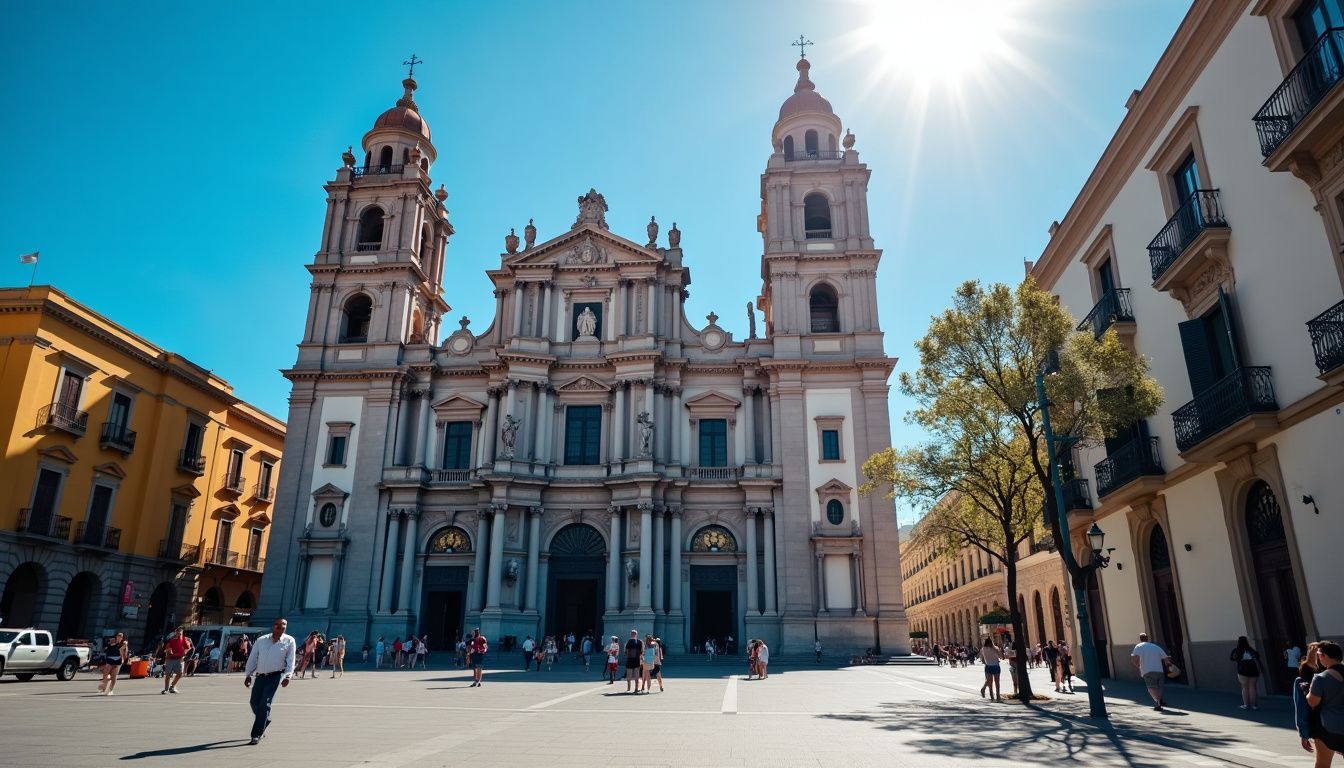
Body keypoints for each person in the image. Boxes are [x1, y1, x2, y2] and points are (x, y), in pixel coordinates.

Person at [243, 617, 296, 745]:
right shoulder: (261, 640)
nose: (281, 628)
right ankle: (265, 719)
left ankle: (256, 734)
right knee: (254, 702)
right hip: (260, 676)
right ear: (273, 626)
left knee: (265, 703)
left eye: (284, 626)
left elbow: (291, 660)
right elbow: (253, 658)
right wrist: (248, 674)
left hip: (275, 676)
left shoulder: (289, 641)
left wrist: (288, 676)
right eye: (278, 625)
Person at [1306, 640, 1344, 765]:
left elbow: (1313, 702)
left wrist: (1306, 691)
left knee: (1323, 763)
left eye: (1319, 655)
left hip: (1328, 728)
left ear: (1325, 656)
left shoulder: (1321, 678)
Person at [1131, 633, 1172, 711]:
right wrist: (1169, 666)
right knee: (1159, 687)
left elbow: (1133, 658)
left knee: (1151, 687)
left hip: (1147, 670)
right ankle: (1159, 701)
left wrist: (1138, 666)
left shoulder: (1139, 646)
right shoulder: (1155, 647)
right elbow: (1166, 659)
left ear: (1140, 639)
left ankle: (1158, 703)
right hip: (1159, 670)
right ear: (1147, 638)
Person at [1230, 635, 1262, 710]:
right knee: (1252, 687)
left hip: (1242, 670)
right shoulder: (1250, 650)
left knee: (1244, 687)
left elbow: (1232, 658)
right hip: (1253, 669)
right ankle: (1254, 705)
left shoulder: (1236, 650)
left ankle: (1246, 705)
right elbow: (1257, 656)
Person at [162, 626, 193, 694]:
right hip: (170, 659)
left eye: (180, 631)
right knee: (168, 674)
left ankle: (172, 686)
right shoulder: (171, 640)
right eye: (177, 631)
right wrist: (168, 654)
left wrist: (184, 655)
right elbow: (166, 649)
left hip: (179, 659)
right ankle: (166, 689)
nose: (179, 632)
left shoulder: (184, 639)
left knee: (180, 674)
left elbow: (188, 648)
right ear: (175, 632)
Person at [97, 631, 129, 696]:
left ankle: (111, 690)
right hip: (109, 660)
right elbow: (105, 649)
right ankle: (103, 687)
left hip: (117, 662)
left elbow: (125, 654)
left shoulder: (123, 645)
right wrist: (108, 644)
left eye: (121, 636)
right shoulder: (111, 642)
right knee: (105, 674)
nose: (120, 637)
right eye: (119, 636)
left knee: (113, 677)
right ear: (116, 636)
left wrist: (125, 646)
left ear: (122, 638)